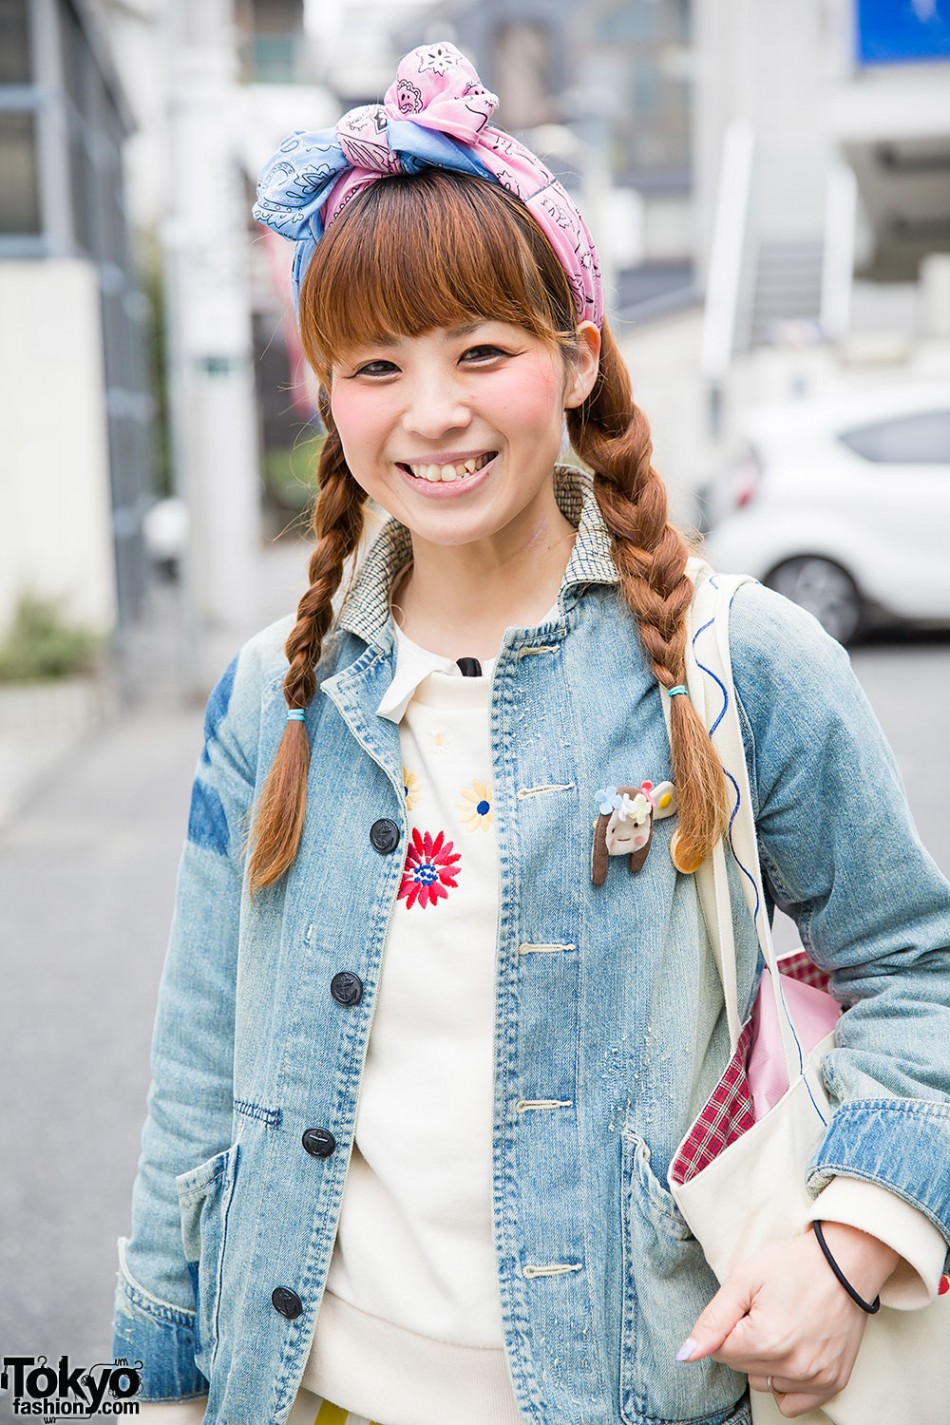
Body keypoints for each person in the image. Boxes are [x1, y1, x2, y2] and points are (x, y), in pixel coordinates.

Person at [113, 41, 950, 1425]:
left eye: (482, 351)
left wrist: (846, 1237)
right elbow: (202, 1070)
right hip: (305, 1389)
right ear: (324, 391)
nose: (431, 412)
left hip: (639, 1389)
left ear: (572, 358)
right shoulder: (278, 689)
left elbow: (919, 973)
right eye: (374, 363)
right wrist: (148, 1385)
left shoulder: (739, 658)